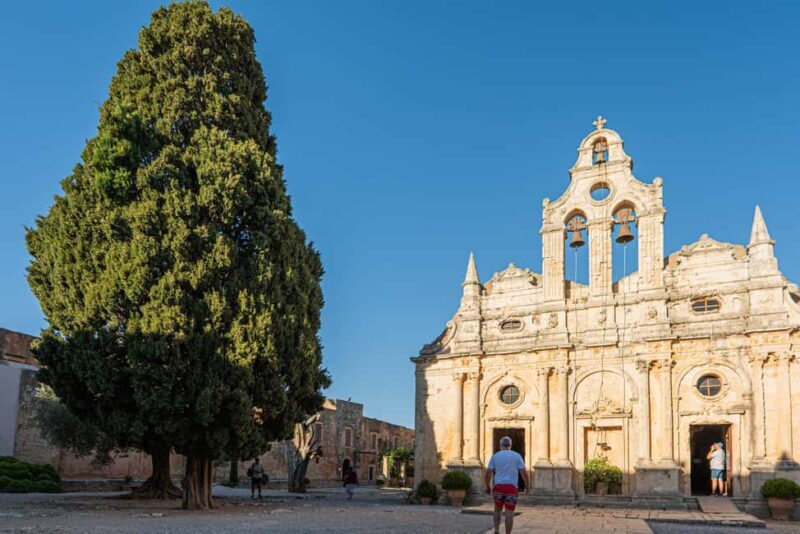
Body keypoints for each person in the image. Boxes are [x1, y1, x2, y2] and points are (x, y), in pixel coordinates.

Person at [484, 436, 529, 534]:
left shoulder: (495, 456)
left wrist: (487, 486)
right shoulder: (517, 456)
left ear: (500, 445)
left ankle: (496, 530)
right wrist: (527, 485)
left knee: (497, 509)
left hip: (498, 487)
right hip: (511, 488)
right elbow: (523, 473)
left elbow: (488, 473)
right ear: (510, 445)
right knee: (509, 512)